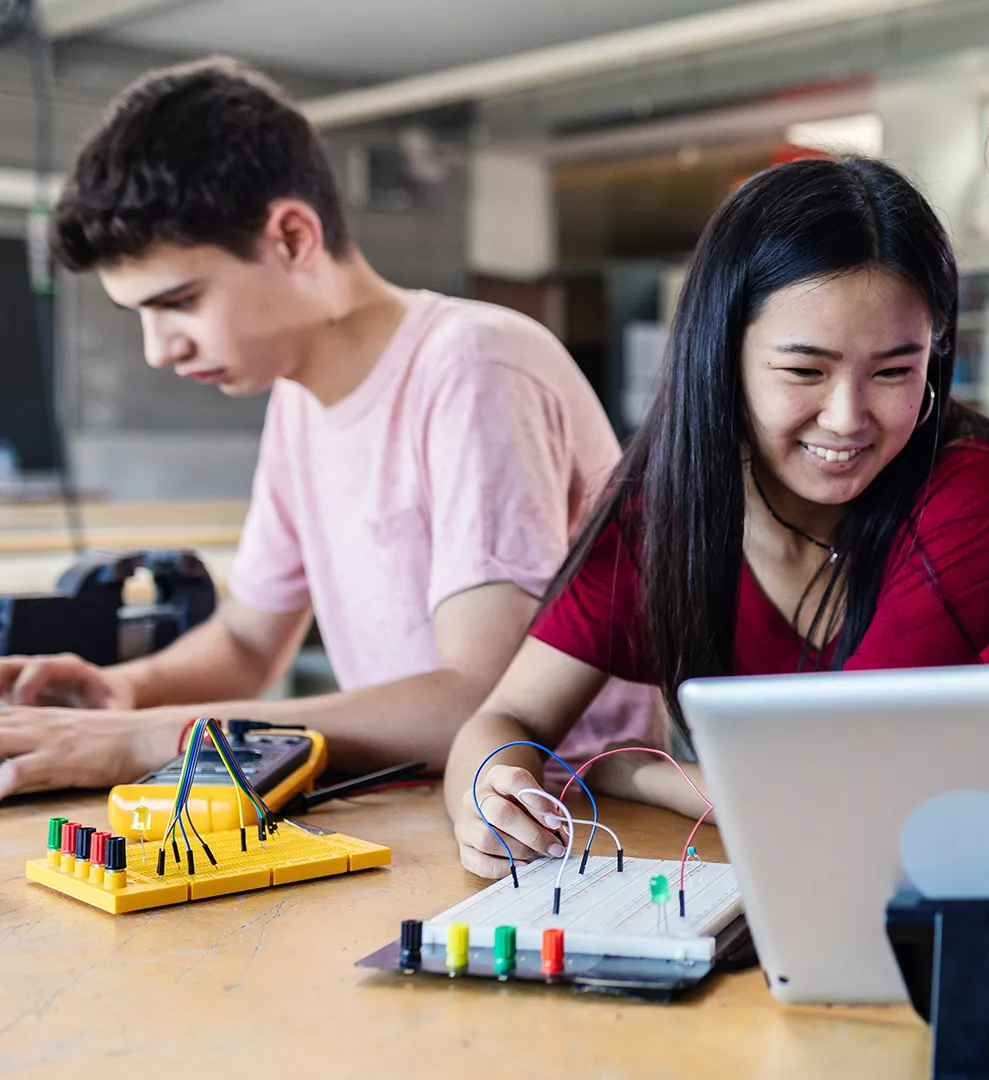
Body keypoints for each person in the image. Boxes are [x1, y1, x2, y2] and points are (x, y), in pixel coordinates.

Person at [0, 58, 655, 798]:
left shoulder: (473, 365)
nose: (160, 349)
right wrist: (125, 693)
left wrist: (154, 736)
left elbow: (477, 703)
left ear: (291, 238)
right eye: (140, 316)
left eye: (178, 301)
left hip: (577, 828)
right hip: (424, 814)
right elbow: (249, 642)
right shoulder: (297, 402)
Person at [444, 157, 989, 879]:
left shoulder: (967, 483)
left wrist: (634, 775)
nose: (847, 418)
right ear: (723, 359)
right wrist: (489, 798)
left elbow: (844, 787)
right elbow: (505, 722)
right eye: (805, 372)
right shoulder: (664, 513)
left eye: (895, 372)